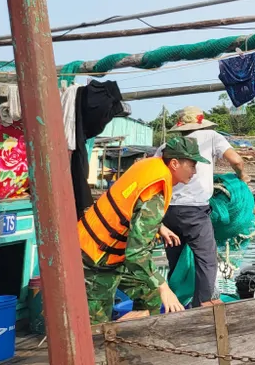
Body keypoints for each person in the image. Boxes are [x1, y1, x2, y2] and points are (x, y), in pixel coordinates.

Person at [80, 136, 210, 324]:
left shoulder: (150, 166)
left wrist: (160, 227)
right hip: (95, 259)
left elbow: (131, 208)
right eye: (191, 165)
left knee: (151, 296)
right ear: (174, 163)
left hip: (111, 254)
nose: (195, 171)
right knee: (97, 324)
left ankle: (132, 334)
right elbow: (137, 253)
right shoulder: (156, 191)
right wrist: (164, 287)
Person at [154, 106, 249, 307]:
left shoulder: (166, 146)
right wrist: (242, 177)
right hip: (194, 211)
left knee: (177, 260)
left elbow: (153, 176)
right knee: (206, 260)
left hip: (167, 212)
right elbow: (236, 161)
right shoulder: (211, 136)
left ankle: (177, 304)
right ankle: (202, 308)